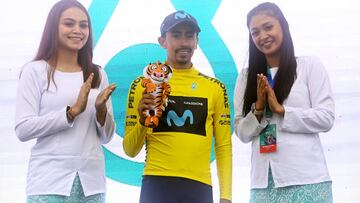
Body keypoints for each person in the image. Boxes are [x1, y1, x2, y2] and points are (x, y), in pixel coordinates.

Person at [123, 10, 232, 203]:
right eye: (176, 35)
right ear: (162, 41)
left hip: (199, 187)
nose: (183, 43)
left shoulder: (215, 88)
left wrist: (226, 197)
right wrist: (142, 122)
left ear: (197, 41)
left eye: (189, 36)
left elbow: (223, 146)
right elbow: (130, 150)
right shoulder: (143, 85)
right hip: (156, 185)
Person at [14, 0, 116, 202]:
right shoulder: (35, 71)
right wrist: (70, 113)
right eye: (69, 24)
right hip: (48, 182)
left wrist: (100, 111)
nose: (78, 30)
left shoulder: (97, 74)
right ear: (53, 28)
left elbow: (107, 137)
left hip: (92, 185)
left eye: (83, 25)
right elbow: (23, 129)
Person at [233, 2, 335, 202]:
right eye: (255, 32)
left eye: (268, 27)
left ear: (283, 26)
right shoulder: (246, 77)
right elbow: (242, 133)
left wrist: (282, 111)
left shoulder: (309, 66)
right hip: (262, 184)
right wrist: (259, 110)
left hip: (307, 179)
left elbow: (326, 117)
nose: (262, 36)